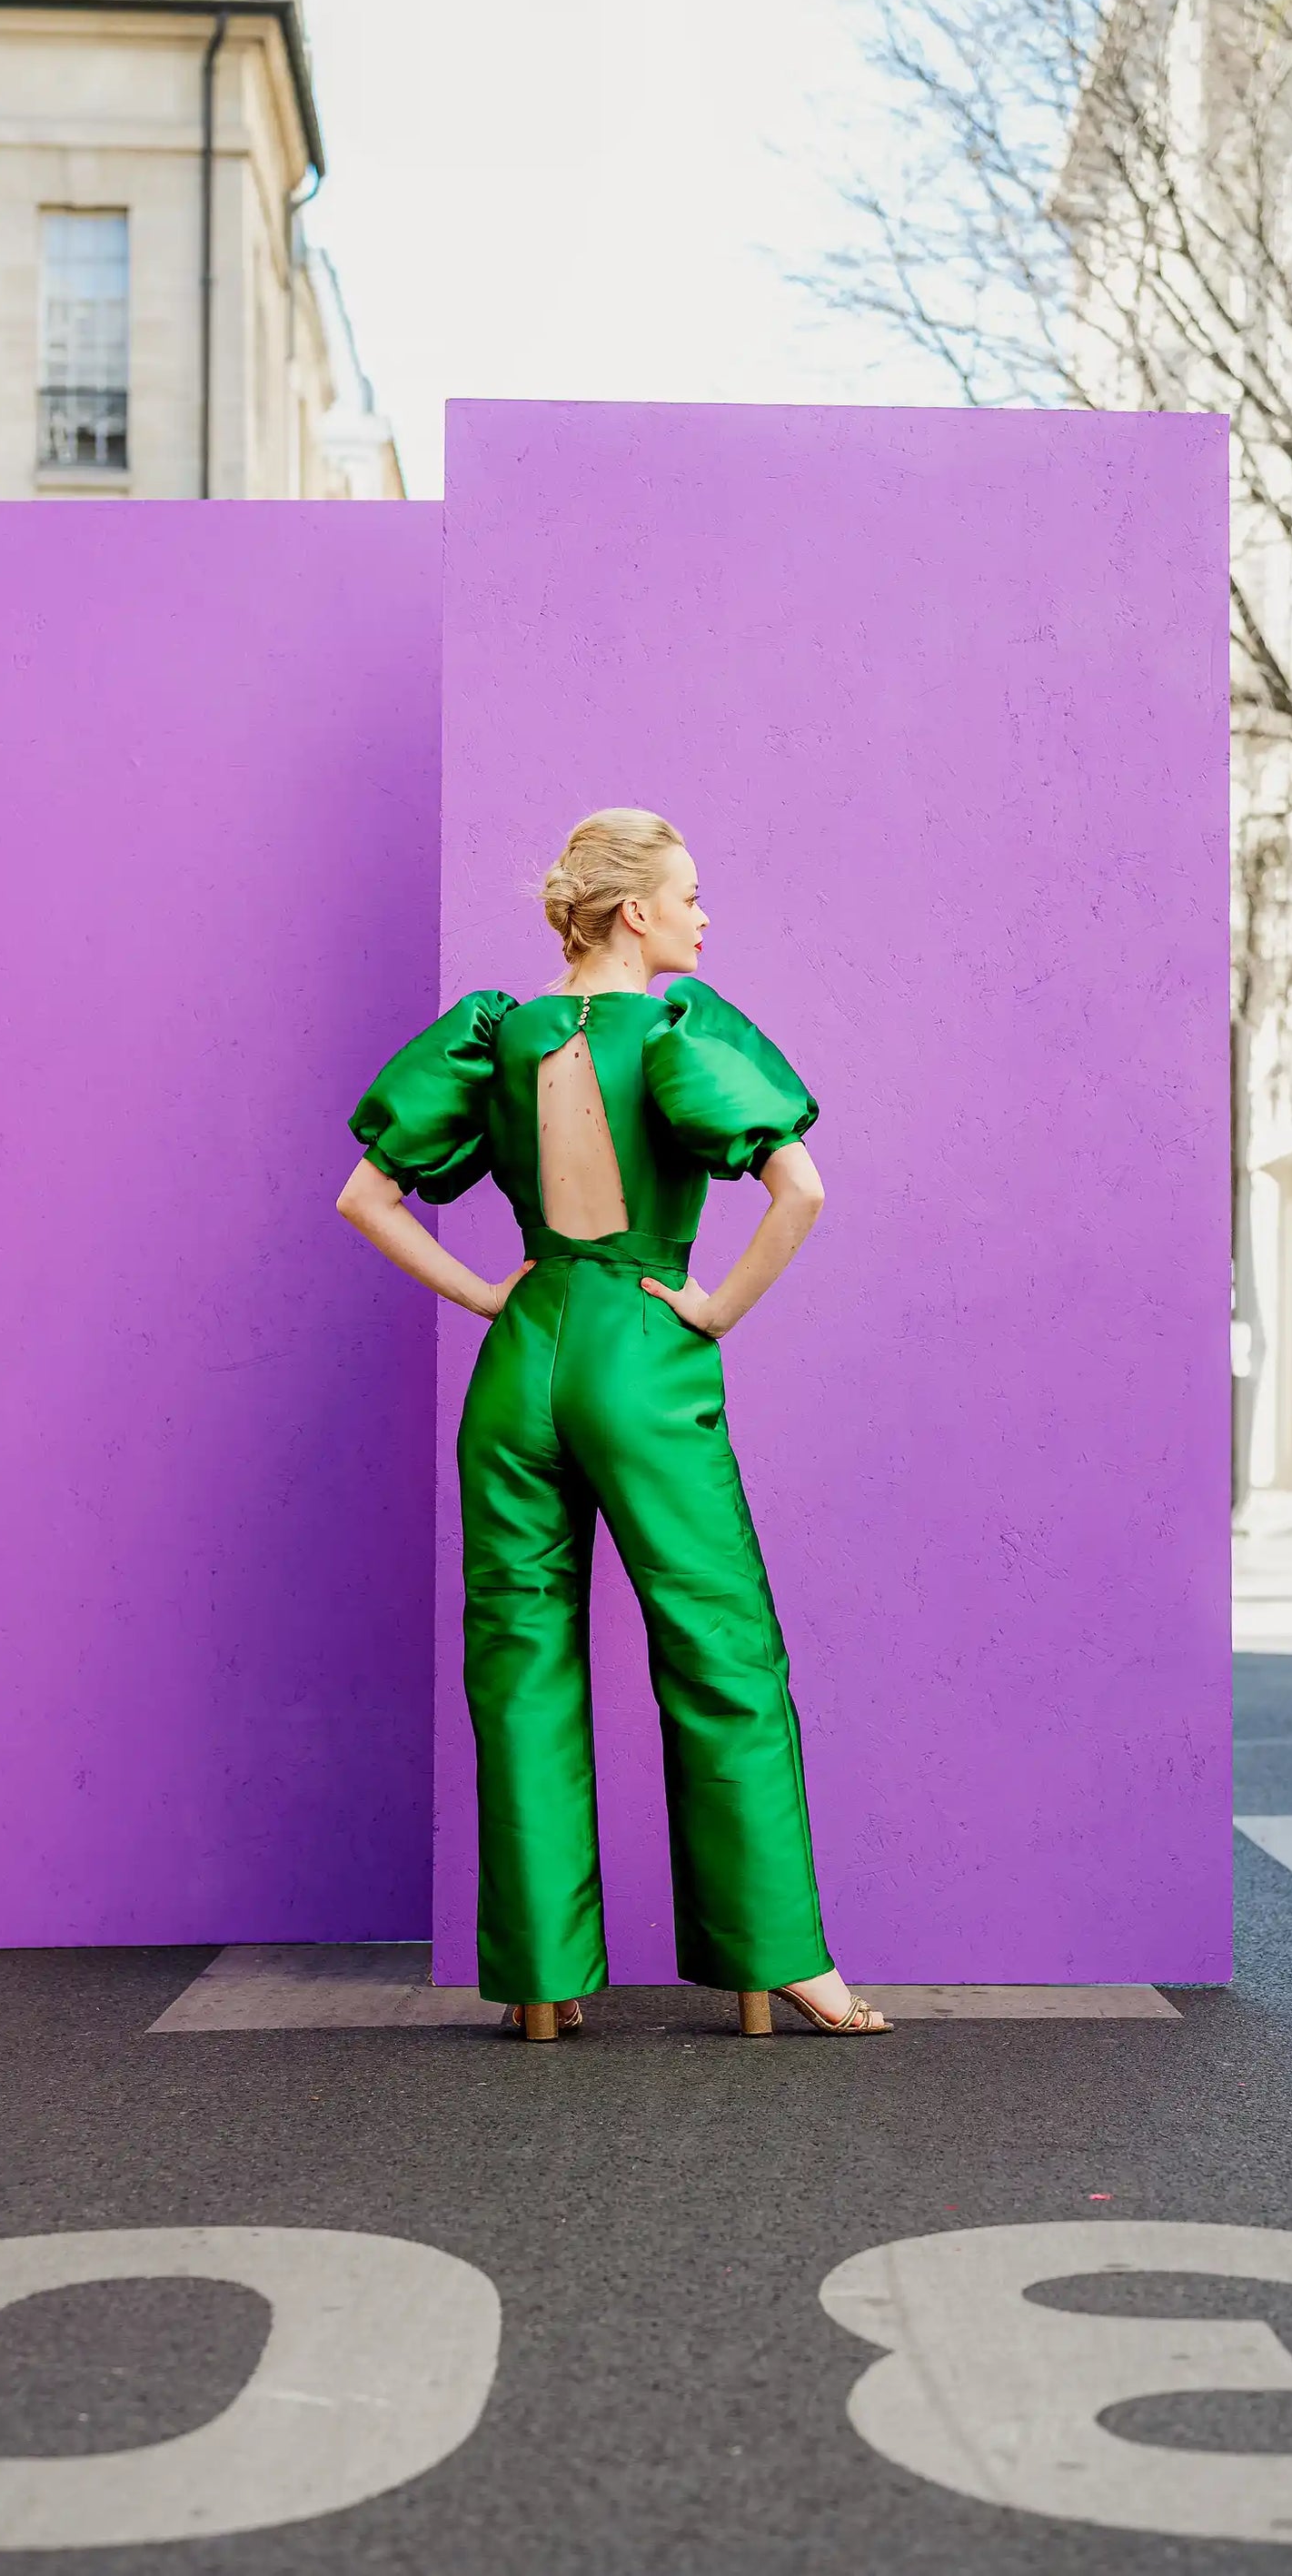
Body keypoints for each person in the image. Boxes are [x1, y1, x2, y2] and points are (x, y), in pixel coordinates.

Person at [337, 808, 888, 2041]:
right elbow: (799, 1188)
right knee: (719, 1647)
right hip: (642, 1356)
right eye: (690, 894)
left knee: (520, 1662)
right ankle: (778, 1962)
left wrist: (489, 1295)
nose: (704, 914)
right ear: (637, 911)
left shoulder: (498, 1035)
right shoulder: (678, 1028)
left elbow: (364, 1196)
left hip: (522, 1357)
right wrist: (717, 1310)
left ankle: (544, 1984)